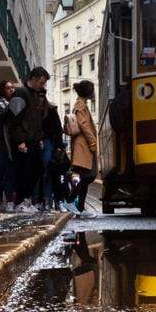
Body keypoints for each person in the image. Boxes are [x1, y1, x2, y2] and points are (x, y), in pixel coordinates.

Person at [5, 66, 50, 213]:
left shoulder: (35, 95)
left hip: (34, 140)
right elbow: (13, 119)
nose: (42, 86)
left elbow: (36, 120)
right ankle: (21, 202)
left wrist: (39, 137)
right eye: (41, 82)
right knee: (25, 171)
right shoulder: (20, 93)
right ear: (34, 79)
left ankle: (26, 199)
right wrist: (19, 141)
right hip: (24, 141)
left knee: (37, 168)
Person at [66, 79, 98, 218]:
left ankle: (80, 207)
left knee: (86, 177)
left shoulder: (82, 104)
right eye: (92, 90)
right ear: (88, 92)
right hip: (83, 145)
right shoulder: (80, 105)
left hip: (83, 144)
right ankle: (70, 200)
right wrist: (92, 142)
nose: (94, 92)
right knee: (88, 176)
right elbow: (83, 125)